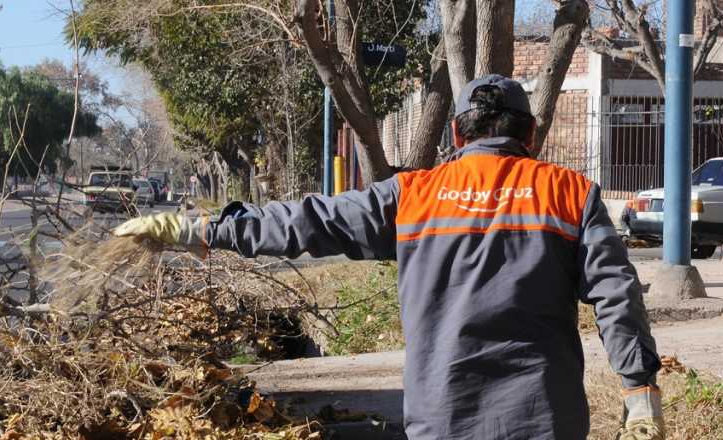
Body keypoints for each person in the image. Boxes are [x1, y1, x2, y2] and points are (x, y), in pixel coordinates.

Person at [113, 75, 662, 440]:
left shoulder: (411, 196)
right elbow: (617, 293)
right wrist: (639, 390)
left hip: (442, 417)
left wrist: (199, 230)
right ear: (532, 133)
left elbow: (306, 221)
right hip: (544, 419)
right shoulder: (570, 194)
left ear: (455, 133)